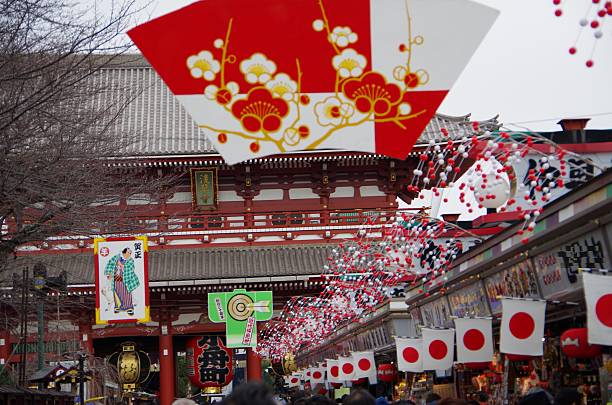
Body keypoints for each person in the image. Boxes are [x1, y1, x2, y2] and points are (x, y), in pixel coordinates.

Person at [104, 247, 139, 316]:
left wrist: (122, 266)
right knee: (116, 292)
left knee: (127, 293)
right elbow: (110, 264)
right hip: (116, 278)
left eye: (130, 253)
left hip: (126, 279)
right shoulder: (116, 258)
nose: (130, 254)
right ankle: (117, 307)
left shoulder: (130, 260)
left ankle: (129, 307)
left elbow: (131, 268)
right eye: (128, 252)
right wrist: (109, 273)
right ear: (124, 252)